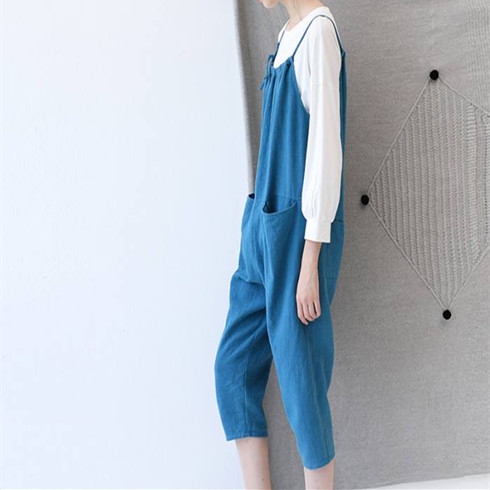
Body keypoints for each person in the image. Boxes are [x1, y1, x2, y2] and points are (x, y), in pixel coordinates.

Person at [214, 0, 347, 488]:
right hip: (262, 230)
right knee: (233, 368)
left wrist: (310, 260)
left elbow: (325, 155)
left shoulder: (319, 33)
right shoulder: (287, 36)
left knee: (301, 383)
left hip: (297, 238)